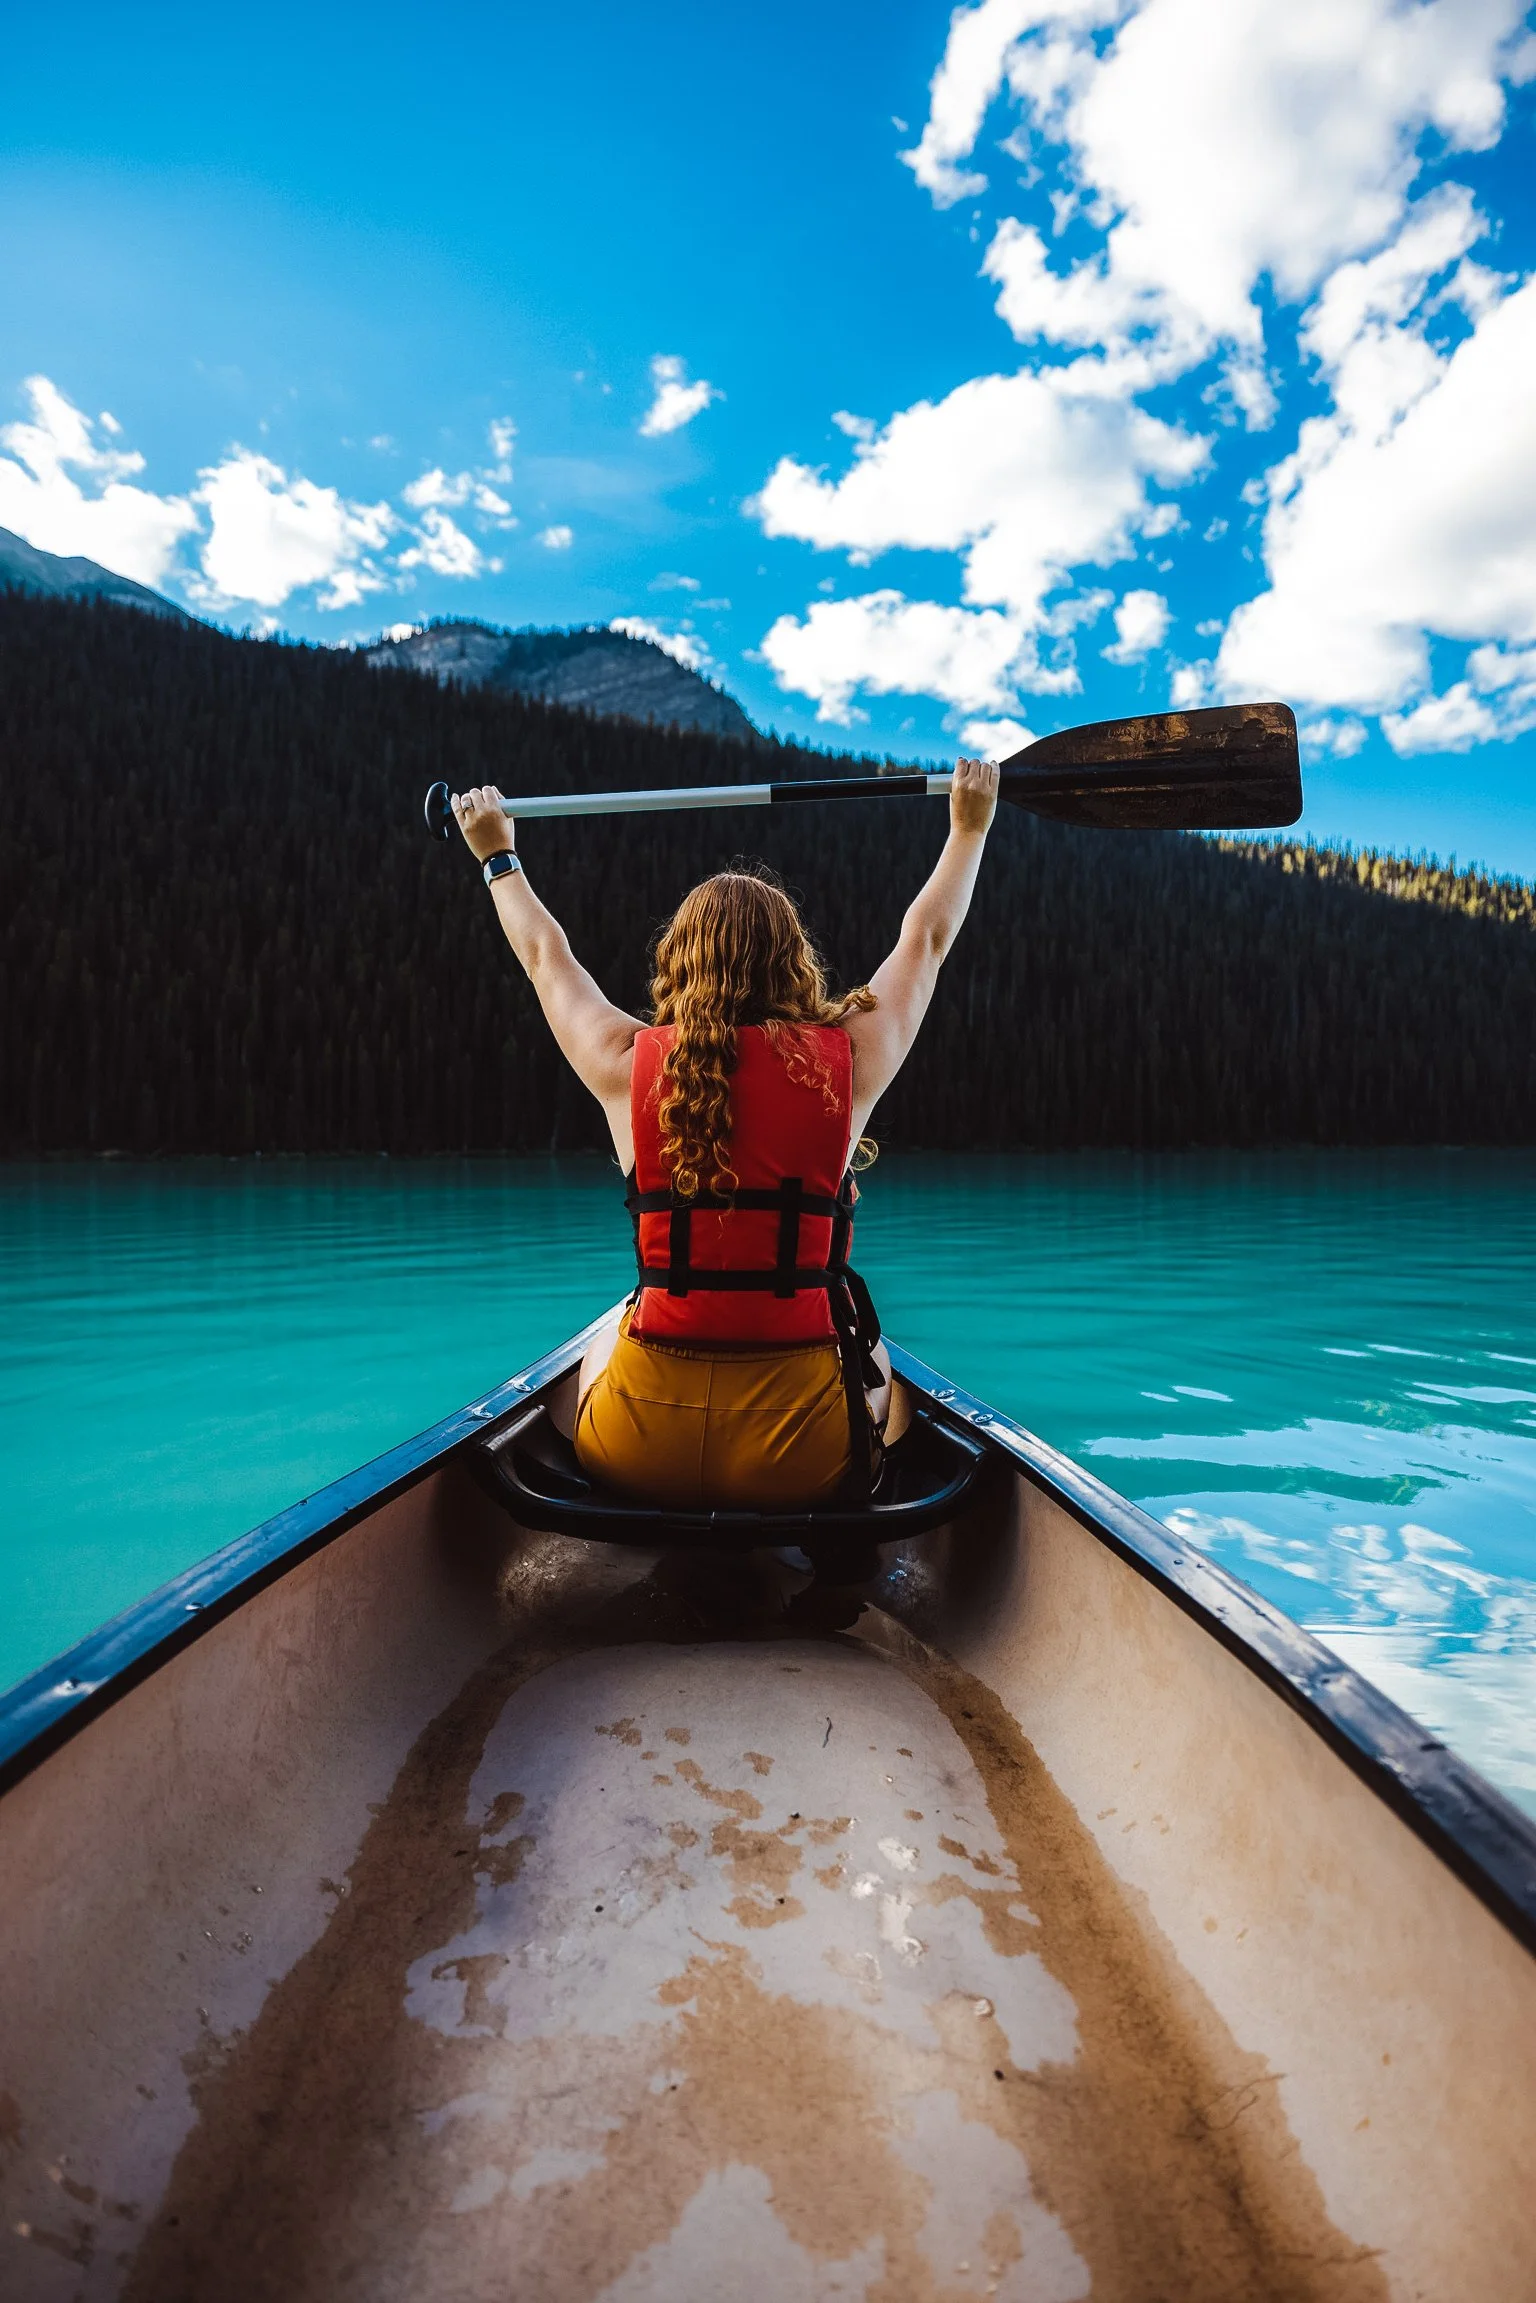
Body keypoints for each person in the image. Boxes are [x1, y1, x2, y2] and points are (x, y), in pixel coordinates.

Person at [451, 758, 999, 1513]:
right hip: (801, 1457)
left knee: (614, 1324)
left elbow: (548, 959)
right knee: (872, 1350)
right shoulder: (850, 1061)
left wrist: (496, 856)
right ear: (793, 962)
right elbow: (926, 940)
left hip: (639, 1450)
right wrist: (969, 829)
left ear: (680, 962)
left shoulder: (623, 1062)